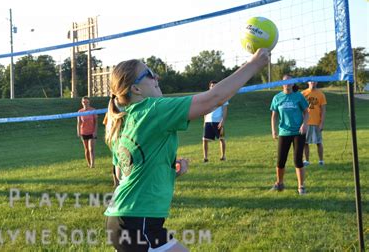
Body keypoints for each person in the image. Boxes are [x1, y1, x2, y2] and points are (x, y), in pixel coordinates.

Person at [104, 49, 269, 251]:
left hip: (123, 219)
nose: (156, 77)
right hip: (138, 223)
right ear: (136, 89)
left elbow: (125, 173)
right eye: (149, 74)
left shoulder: (123, 119)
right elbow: (213, 99)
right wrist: (253, 64)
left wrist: (168, 169)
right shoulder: (153, 109)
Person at [270, 75, 309, 195]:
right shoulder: (277, 97)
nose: (287, 83)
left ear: (293, 83)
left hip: (298, 132)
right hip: (284, 132)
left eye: (289, 81)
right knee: (280, 161)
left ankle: (301, 186)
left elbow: (306, 112)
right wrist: (273, 129)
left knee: (298, 160)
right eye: (284, 81)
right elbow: (274, 115)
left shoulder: (299, 96)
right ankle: (279, 183)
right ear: (282, 83)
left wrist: (304, 124)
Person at [202, 80, 229, 162]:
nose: (214, 87)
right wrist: (204, 122)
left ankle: (223, 156)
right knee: (204, 140)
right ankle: (205, 158)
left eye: (215, 86)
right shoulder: (206, 98)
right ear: (209, 87)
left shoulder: (222, 97)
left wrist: (222, 121)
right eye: (212, 86)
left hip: (218, 122)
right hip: (208, 122)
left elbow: (224, 110)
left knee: (221, 138)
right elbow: (205, 111)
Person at [301, 81, 327, 166]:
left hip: (316, 122)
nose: (312, 82)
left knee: (318, 142)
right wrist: (301, 123)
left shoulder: (321, 94)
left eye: (314, 81)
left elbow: (323, 110)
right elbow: (299, 109)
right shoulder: (303, 94)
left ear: (317, 82)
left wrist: (322, 123)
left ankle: (321, 161)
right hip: (305, 122)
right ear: (308, 82)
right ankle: (307, 161)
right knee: (305, 143)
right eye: (311, 81)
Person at [77, 96, 97, 168]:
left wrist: (95, 131)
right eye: (84, 102)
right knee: (86, 149)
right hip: (84, 132)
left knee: (91, 148)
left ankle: (92, 164)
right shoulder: (80, 112)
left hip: (92, 132)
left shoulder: (93, 110)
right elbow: (79, 123)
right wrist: (78, 131)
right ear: (82, 103)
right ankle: (88, 163)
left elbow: (96, 122)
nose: (85, 103)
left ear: (89, 102)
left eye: (87, 102)